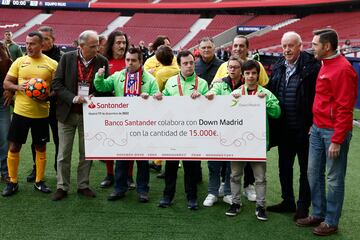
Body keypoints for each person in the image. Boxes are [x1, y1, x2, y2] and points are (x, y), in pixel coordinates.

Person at [296, 29, 358, 236]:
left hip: (333, 133)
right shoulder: (325, 64)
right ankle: (318, 213)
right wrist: (314, 123)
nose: (311, 47)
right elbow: (324, 100)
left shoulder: (343, 69)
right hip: (317, 129)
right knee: (313, 173)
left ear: (327, 46)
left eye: (314, 44)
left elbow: (344, 107)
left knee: (333, 178)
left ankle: (331, 220)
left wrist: (337, 139)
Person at [94, 47, 162, 202]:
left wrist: (153, 96)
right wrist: (98, 77)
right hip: (122, 124)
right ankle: (119, 189)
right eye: (128, 60)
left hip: (143, 125)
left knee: (142, 161)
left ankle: (143, 191)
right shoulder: (118, 76)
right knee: (121, 160)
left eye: (133, 60)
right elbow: (102, 86)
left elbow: (157, 99)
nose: (130, 63)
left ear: (141, 61)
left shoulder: (150, 80)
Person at [266, 32, 321, 220]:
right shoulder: (279, 65)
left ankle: (303, 206)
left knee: (306, 170)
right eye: (284, 46)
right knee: (284, 167)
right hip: (284, 128)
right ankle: (287, 200)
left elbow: (318, 96)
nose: (287, 50)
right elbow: (272, 91)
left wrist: (313, 122)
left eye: (290, 46)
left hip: (305, 128)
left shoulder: (313, 66)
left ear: (300, 46)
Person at [51, 30, 110, 201]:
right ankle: (62, 186)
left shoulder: (102, 61)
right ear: (81, 46)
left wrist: (95, 98)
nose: (97, 49)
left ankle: (83, 185)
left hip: (89, 114)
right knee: (64, 153)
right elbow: (56, 83)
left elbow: (106, 87)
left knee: (87, 153)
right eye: (93, 46)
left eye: (98, 45)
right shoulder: (67, 58)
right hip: (67, 113)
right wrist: (73, 98)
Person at [213, 35, 270, 201]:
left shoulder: (257, 66)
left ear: (247, 47)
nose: (238, 49)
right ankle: (226, 182)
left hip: (252, 120)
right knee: (229, 153)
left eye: (241, 46)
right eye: (235, 46)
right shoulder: (225, 65)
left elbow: (264, 87)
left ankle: (249, 185)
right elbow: (215, 84)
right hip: (229, 121)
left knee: (251, 153)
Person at [2, 32, 57, 197]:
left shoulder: (52, 64)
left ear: (42, 45)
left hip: (41, 113)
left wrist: (46, 96)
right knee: (14, 146)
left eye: (32, 43)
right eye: (26, 43)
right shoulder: (20, 61)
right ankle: (12, 182)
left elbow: (57, 88)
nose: (28, 46)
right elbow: (6, 82)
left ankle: (39, 181)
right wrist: (18, 88)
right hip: (20, 112)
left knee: (40, 147)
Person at [225, 60, 281, 220]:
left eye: (253, 73)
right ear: (243, 75)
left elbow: (277, 113)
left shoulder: (265, 93)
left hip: (257, 142)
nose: (250, 76)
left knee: (260, 177)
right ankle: (235, 203)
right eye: (247, 73)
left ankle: (260, 206)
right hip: (238, 142)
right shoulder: (235, 93)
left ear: (258, 75)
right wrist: (232, 102)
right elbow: (225, 115)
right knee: (235, 175)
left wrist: (265, 102)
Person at [158, 50, 208, 210]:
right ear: (179, 65)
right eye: (185, 63)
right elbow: (163, 99)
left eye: (191, 62)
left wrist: (202, 98)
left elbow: (210, 106)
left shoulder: (203, 83)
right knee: (171, 166)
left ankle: (191, 197)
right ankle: (168, 195)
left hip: (193, 133)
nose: (189, 66)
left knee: (191, 167)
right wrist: (159, 96)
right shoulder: (171, 81)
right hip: (174, 132)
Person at [204, 56, 243, 207]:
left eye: (236, 67)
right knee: (214, 163)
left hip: (237, 130)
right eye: (230, 67)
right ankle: (212, 192)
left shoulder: (245, 87)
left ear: (241, 70)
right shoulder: (220, 85)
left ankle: (227, 192)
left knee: (231, 164)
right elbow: (213, 91)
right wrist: (211, 93)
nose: (232, 69)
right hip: (218, 130)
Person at [27, 26, 63, 182]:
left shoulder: (61, 57)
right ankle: (36, 169)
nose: (43, 42)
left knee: (58, 140)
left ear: (53, 40)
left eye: (47, 39)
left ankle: (58, 170)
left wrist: (50, 95)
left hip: (56, 107)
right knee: (37, 140)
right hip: (37, 107)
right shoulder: (30, 56)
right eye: (41, 39)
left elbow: (63, 83)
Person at [99, 30, 130, 189]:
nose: (122, 46)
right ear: (111, 45)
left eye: (124, 43)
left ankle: (129, 176)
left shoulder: (130, 61)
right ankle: (110, 174)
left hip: (129, 110)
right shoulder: (104, 62)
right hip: (109, 109)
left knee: (129, 143)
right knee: (109, 142)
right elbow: (99, 84)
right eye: (118, 42)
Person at [0, 42, 12, 183]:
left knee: (4, 138)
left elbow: (14, 75)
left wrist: (10, 89)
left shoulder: (3, 52)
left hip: (2, 103)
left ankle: (5, 171)